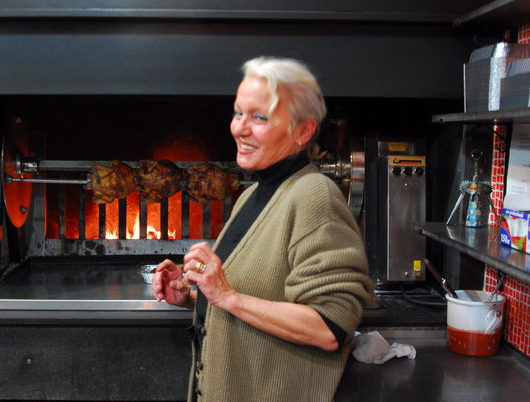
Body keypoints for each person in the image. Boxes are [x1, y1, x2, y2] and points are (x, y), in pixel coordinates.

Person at [152, 56, 374, 402]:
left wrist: (227, 296)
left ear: (302, 132)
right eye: (238, 113)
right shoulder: (254, 194)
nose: (240, 128)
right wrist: (194, 296)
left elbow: (331, 326)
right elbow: (254, 293)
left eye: (259, 117)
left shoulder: (314, 195)